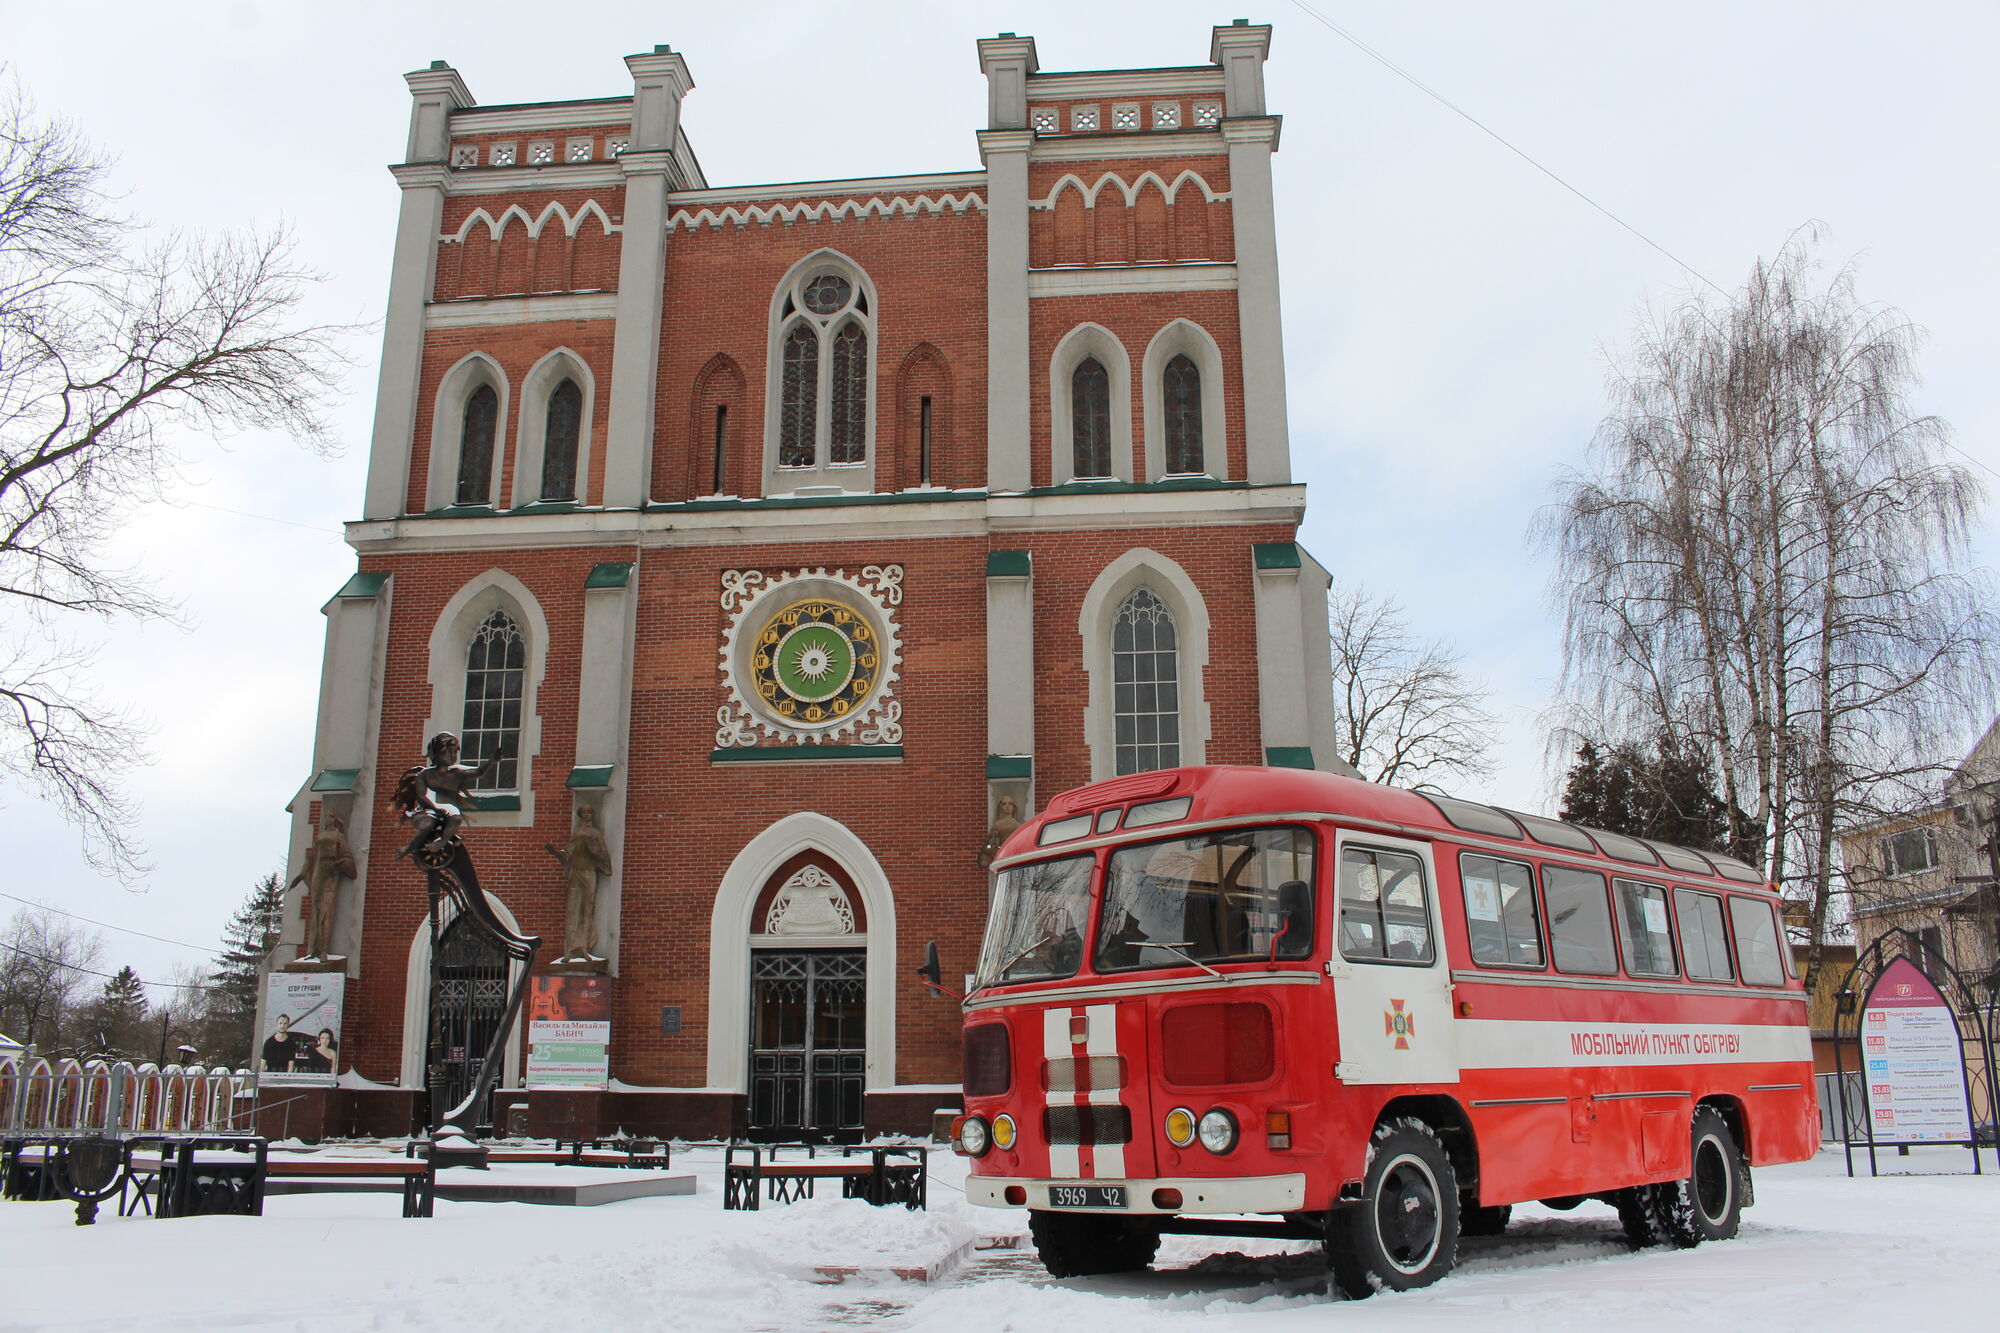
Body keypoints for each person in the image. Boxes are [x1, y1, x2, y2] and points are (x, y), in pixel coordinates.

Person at [391, 731, 504, 858]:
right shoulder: (425, 775)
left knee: (456, 818)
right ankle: (408, 848)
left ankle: (443, 841)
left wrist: (491, 762)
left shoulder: (457, 772)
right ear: (437, 752)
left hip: (448, 813)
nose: (452, 755)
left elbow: (478, 772)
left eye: (455, 752)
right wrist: (436, 808)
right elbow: (422, 796)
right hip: (428, 811)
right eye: (448, 751)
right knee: (427, 824)